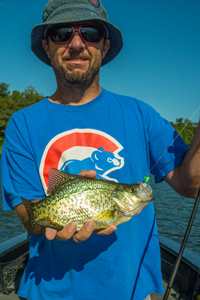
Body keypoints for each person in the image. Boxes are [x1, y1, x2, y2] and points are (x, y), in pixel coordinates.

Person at [1, 0, 200, 299]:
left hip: (130, 291)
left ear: (105, 45)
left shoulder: (141, 114)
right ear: (46, 45)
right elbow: (31, 218)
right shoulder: (22, 124)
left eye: (91, 32)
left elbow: (190, 186)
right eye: (62, 33)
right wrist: (56, 216)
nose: (77, 43)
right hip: (48, 291)